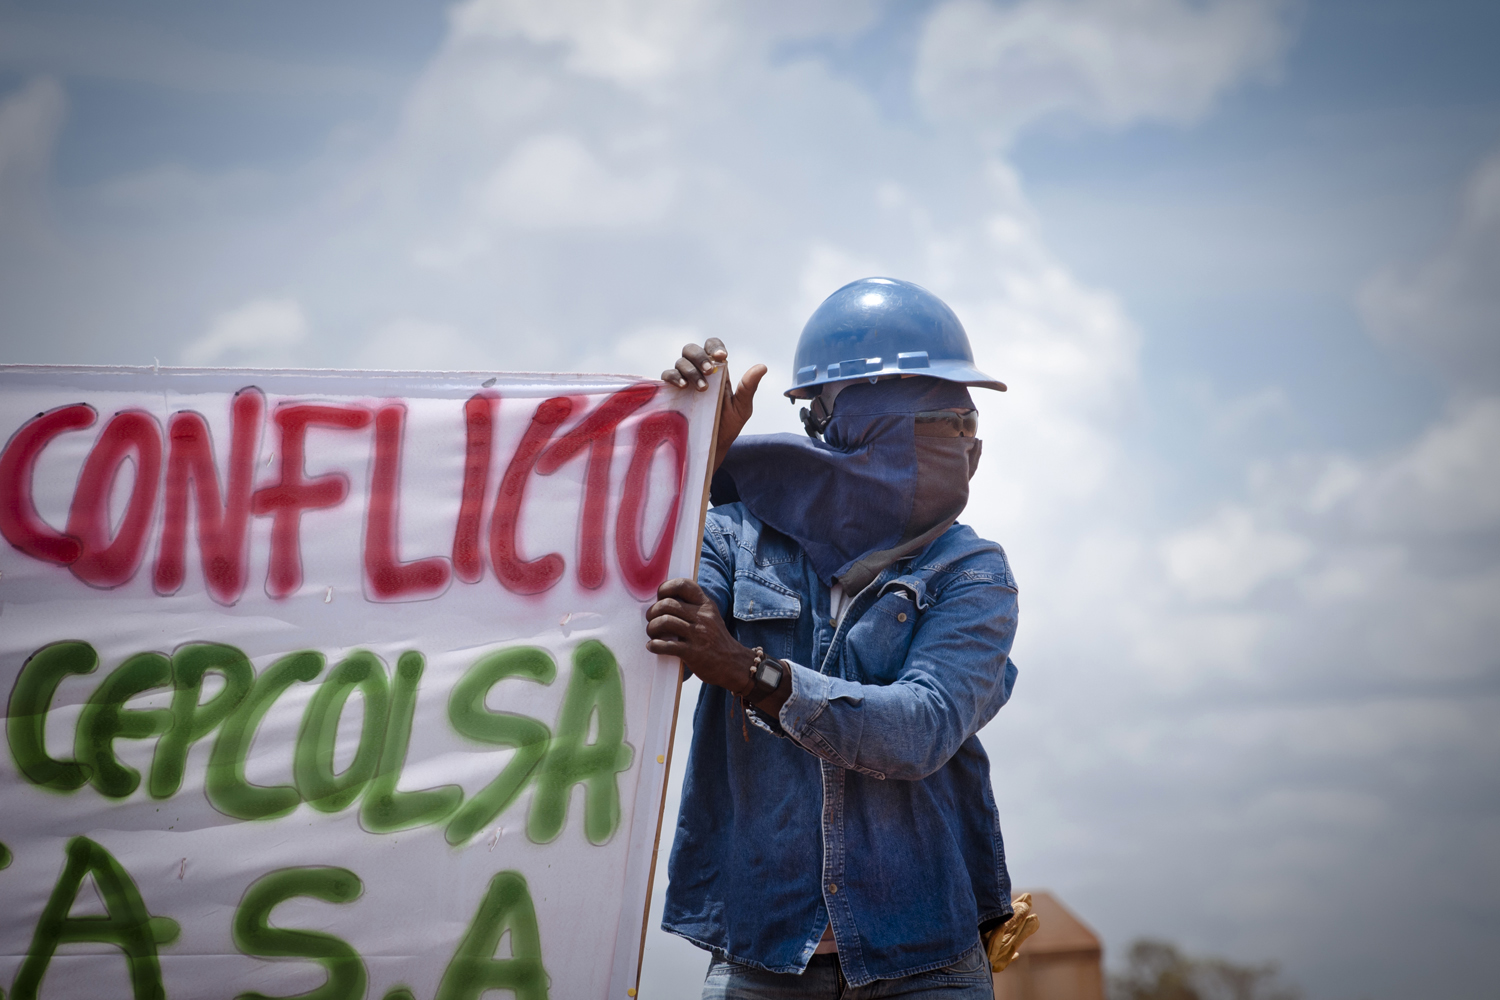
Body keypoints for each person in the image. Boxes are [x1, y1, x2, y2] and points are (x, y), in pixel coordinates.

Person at [646, 277, 1021, 999]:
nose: (966, 443)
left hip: (925, 960)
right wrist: (685, 457)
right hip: (764, 956)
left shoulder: (970, 571)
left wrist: (754, 673)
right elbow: (650, 626)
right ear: (846, 423)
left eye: (968, 424)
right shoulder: (731, 536)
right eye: (939, 419)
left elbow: (920, 729)